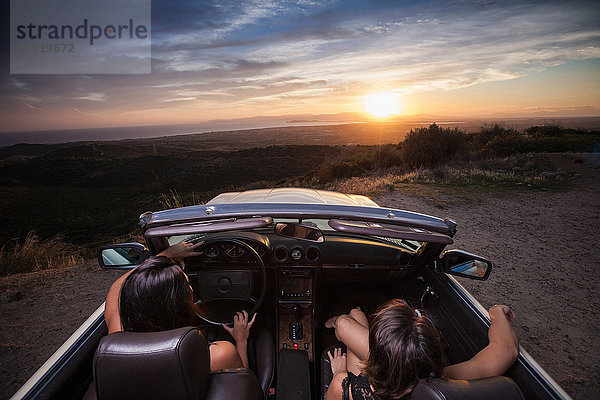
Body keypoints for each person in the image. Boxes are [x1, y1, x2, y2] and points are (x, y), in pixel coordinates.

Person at [104, 240, 256, 371]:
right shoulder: (218, 355)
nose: (191, 289)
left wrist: (163, 256)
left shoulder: (118, 340)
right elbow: (243, 382)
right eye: (187, 285)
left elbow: (118, 288)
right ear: (176, 306)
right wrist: (240, 340)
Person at [325, 299, 519, 400]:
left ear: (372, 353)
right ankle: (355, 312)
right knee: (352, 319)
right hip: (396, 373)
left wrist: (339, 371)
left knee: (348, 321)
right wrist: (496, 312)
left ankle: (353, 313)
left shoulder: (342, 385)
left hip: (372, 381)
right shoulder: (446, 377)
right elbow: (507, 349)